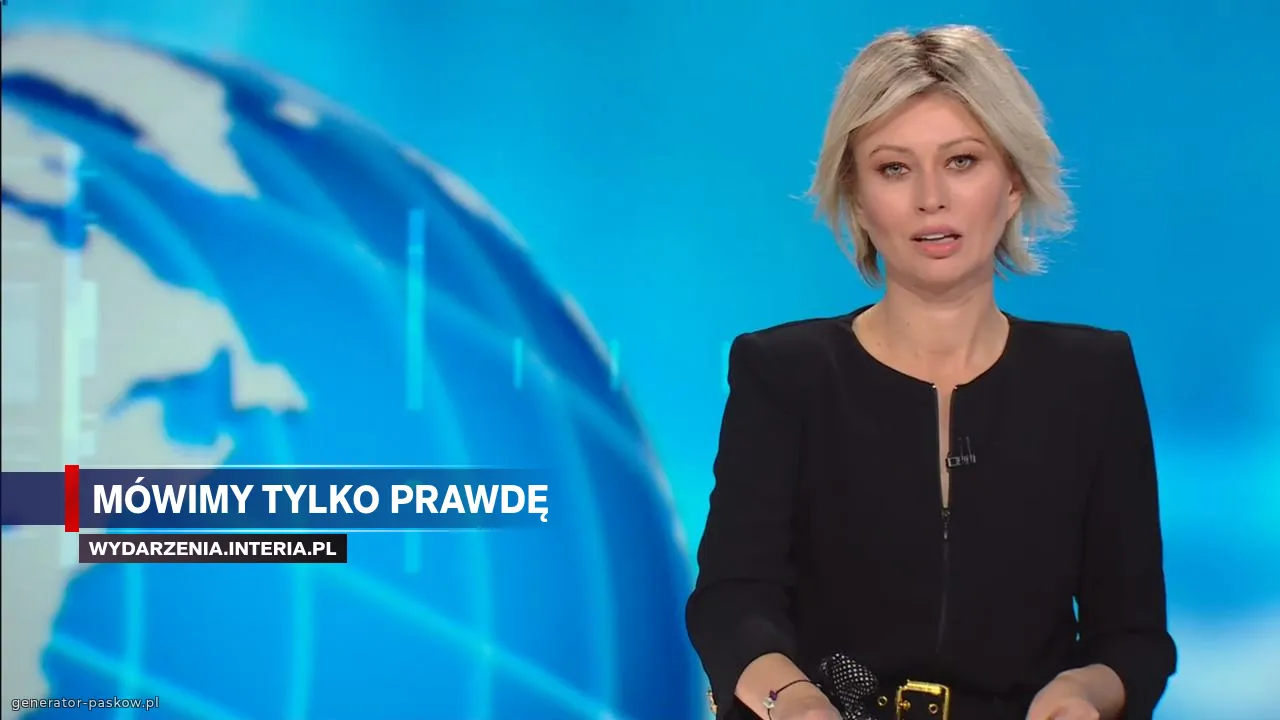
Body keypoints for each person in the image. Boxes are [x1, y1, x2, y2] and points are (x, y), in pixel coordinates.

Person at [685, 24, 1177, 720]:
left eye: (962, 161)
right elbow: (733, 601)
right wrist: (791, 701)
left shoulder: (1091, 378)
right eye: (894, 168)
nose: (931, 198)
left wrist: (1084, 694)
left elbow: (1132, 637)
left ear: (1013, 182)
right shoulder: (785, 374)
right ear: (857, 197)